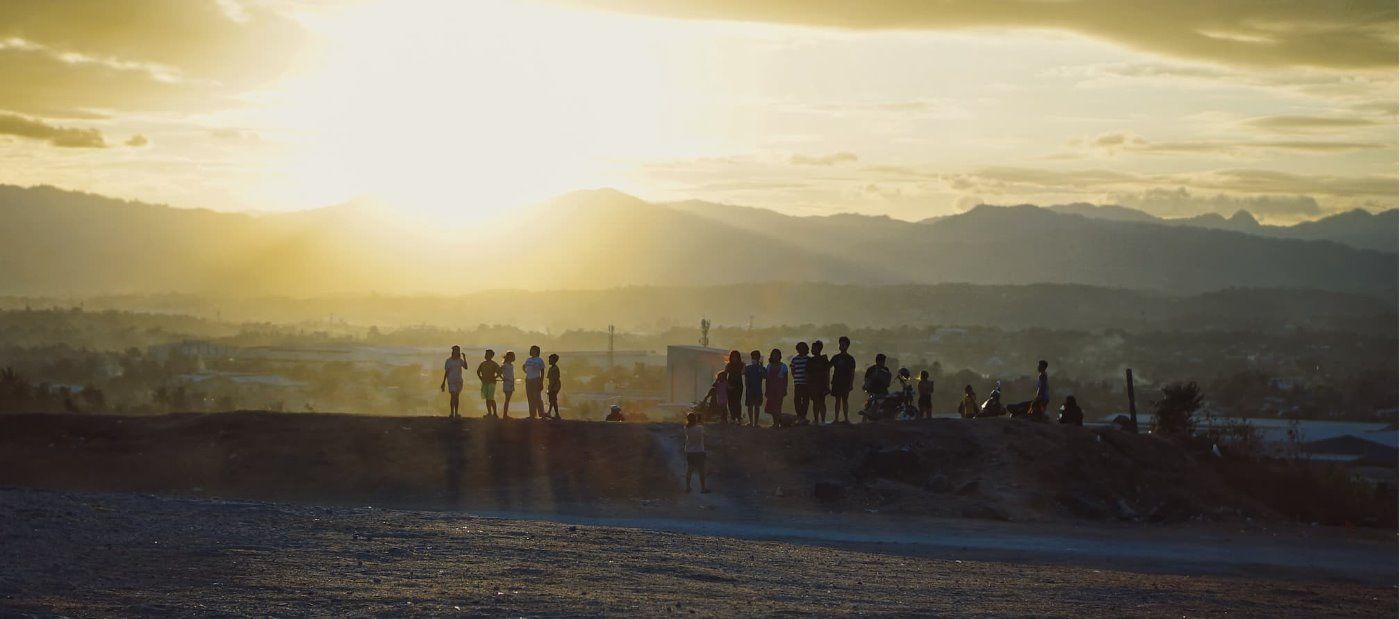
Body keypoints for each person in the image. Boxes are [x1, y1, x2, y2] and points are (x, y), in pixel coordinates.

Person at [830, 336, 856, 424]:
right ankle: (836, 418)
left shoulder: (850, 359)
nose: (841, 346)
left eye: (843, 344)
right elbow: (828, 366)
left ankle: (846, 418)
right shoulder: (835, 357)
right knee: (837, 400)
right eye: (840, 344)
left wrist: (851, 383)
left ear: (847, 346)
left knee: (845, 400)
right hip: (837, 381)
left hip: (845, 382)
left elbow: (852, 373)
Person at [683, 412, 710, 494]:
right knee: (701, 470)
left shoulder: (686, 428)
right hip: (699, 451)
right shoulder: (700, 428)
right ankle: (703, 488)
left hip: (690, 451)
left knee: (689, 469)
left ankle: (687, 487)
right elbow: (705, 434)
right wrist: (700, 421)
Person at [440, 345, 468, 419]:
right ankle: (452, 413)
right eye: (455, 351)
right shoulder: (449, 361)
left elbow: (466, 367)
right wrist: (443, 382)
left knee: (456, 397)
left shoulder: (460, 360)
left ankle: (456, 412)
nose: (456, 352)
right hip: (451, 380)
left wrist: (464, 358)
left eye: (457, 351)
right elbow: (446, 372)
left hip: (458, 380)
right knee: (453, 396)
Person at [807, 340, 831, 425]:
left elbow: (827, 373)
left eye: (813, 348)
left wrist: (827, 385)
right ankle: (817, 419)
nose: (812, 350)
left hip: (821, 384)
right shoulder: (811, 360)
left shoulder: (823, 360)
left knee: (821, 402)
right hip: (814, 384)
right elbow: (808, 374)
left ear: (819, 349)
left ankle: (822, 419)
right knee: (816, 402)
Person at [764, 348, 788, 428]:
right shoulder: (769, 366)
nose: (775, 357)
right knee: (772, 407)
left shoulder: (783, 366)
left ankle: (777, 423)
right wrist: (767, 390)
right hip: (771, 388)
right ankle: (775, 423)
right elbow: (767, 379)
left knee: (778, 406)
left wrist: (785, 389)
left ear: (779, 356)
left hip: (780, 388)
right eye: (774, 355)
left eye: (777, 355)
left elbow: (785, 379)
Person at [743, 350, 766, 427]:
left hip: (758, 390)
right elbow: (745, 376)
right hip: (750, 389)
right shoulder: (748, 368)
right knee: (750, 406)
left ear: (758, 358)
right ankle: (751, 422)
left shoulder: (761, 368)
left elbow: (765, 376)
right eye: (753, 357)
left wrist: (762, 368)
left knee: (757, 406)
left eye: (755, 357)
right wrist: (747, 387)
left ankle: (756, 423)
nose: (754, 358)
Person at [476, 349, 501, 418]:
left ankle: (494, 413)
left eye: (487, 354)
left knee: (491, 398)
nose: (486, 356)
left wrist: (495, 377)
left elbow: (499, 372)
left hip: (491, 383)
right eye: (486, 354)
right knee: (487, 398)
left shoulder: (493, 364)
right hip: (485, 382)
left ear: (491, 356)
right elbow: (478, 371)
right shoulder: (483, 364)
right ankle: (490, 413)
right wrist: (481, 378)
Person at [523, 345, 546, 420]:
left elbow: (542, 371)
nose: (532, 351)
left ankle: (541, 414)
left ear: (537, 351)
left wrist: (541, 381)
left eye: (533, 350)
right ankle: (532, 415)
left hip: (536, 379)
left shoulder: (539, 360)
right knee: (530, 398)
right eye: (531, 350)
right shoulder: (528, 360)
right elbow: (524, 366)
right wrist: (526, 371)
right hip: (528, 380)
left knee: (537, 398)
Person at [790, 342, 811, 422]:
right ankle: (799, 415)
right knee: (797, 400)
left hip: (806, 383)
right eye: (800, 348)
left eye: (803, 348)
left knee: (806, 400)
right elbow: (792, 370)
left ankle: (803, 416)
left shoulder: (809, 359)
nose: (801, 349)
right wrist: (796, 377)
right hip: (798, 382)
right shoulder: (795, 359)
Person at [724, 350, 745, 425]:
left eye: (736, 357)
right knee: (730, 401)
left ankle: (738, 417)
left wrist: (744, 367)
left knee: (737, 401)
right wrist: (727, 385)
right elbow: (724, 375)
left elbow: (743, 373)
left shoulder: (742, 365)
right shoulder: (729, 365)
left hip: (738, 385)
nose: (734, 358)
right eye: (733, 357)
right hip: (730, 384)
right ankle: (732, 417)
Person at [500, 351, 517, 419]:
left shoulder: (510, 365)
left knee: (507, 400)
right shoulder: (505, 365)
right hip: (507, 384)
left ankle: (505, 414)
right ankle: (505, 415)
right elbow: (499, 371)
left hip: (511, 384)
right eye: (513, 356)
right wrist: (502, 378)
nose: (514, 358)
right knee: (507, 400)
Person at [546, 353, 562, 420]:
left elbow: (555, 379)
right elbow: (550, 379)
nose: (549, 361)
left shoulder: (555, 369)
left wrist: (550, 388)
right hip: (553, 386)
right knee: (554, 400)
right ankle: (557, 414)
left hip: (555, 386)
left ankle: (549, 412)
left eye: (550, 359)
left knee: (552, 399)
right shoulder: (551, 368)